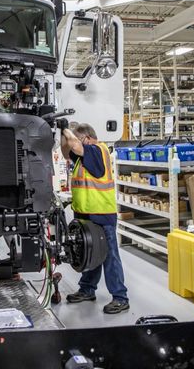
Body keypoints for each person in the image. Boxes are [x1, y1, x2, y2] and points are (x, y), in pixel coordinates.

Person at [60, 122, 130, 314]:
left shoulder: (97, 150)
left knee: (109, 256)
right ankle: (87, 289)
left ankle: (120, 297)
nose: (75, 143)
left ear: (88, 138)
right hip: (86, 214)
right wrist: (62, 133)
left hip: (101, 214)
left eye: (78, 139)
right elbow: (67, 151)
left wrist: (65, 128)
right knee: (89, 253)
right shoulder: (83, 156)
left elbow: (75, 146)